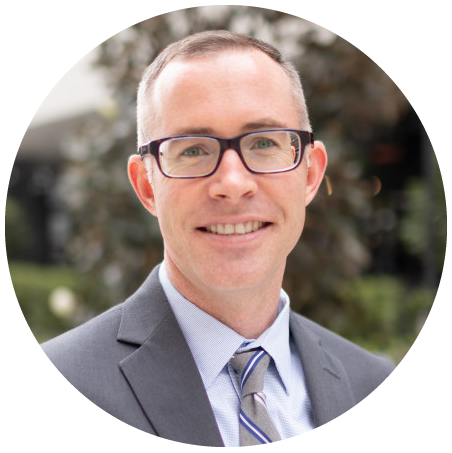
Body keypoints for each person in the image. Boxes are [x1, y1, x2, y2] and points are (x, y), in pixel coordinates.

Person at [42, 30, 395, 447]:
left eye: (263, 143)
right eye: (193, 150)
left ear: (311, 174)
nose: (232, 183)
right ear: (147, 186)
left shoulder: (376, 388)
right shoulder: (54, 391)